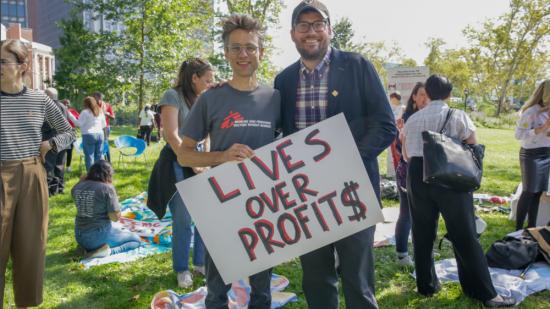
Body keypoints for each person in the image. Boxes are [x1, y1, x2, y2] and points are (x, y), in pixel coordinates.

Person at [274, 1, 396, 308]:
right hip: (307, 198)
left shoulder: (357, 66)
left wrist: (346, 161)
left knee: (358, 281)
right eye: (303, 25)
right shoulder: (284, 80)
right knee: (316, 281)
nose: (311, 31)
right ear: (292, 34)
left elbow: (385, 125)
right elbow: (277, 134)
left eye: (318, 24)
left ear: (329, 30)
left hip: (353, 192)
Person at [177, 14, 280, 308]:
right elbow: (184, 153)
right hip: (221, 205)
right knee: (217, 292)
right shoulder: (211, 99)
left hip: (265, 206)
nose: (243, 54)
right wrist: (221, 156)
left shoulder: (275, 98)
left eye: (250, 47)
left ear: (261, 52)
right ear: (226, 53)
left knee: (261, 292)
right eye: (235, 48)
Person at [402, 74, 515, 307]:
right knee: (464, 234)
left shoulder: (412, 120)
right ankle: (484, 293)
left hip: (417, 174)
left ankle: (426, 285)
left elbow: (406, 155)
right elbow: (473, 145)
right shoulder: (457, 115)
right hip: (450, 176)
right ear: (449, 94)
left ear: (428, 94)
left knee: (422, 233)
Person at [1, 38, 75, 308]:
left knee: (31, 247)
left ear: (22, 65)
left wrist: (51, 144)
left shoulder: (39, 99)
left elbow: (69, 131)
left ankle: (26, 303)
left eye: (3, 61)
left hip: (32, 176)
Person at [148, 58, 214, 288]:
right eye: (207, 79)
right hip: (176, 161)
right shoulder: (172, 95)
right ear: (194, 78)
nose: (210, 83)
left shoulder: (204, 98)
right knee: (184, 219)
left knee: (206, 217)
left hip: (198, 161)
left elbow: (206, 135)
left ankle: (200, 263)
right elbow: (171, 134)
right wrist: (190, 161)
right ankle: (181, 269)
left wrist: (204, 160)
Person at [73, 160, 141, 258]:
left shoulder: (77, 186)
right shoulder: (107, 188)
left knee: (117, 230)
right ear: (108, 174)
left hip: (79, 235)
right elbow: (115, 218)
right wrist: (115, 202)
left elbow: (76, 193)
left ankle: (88, 248)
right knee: (136, 240)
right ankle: (105, 252)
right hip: (97, 237)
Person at [393, 82, 428, 266]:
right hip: (408, 171)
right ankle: (402, 254)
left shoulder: (431, 117)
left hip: (428, 172)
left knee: (423, 215)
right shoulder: (405, 118)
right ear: (414, 96)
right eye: (421, 94)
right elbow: (401, 150)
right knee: (406, 213)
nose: (425, 99)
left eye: (428, 95)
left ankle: (421, 251)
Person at [514, 80, 550, 230]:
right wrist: (540, 129)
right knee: (529, 191)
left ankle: (531, 228)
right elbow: (518, 135)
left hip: (547, 154)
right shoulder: (531, 112)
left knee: (538, 193)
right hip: (531, 155)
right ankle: (518, 229)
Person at [42, 87, 70, 195]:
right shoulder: (63, 106)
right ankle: (60, 188)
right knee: (60, 165)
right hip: (64, 140)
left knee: (49, 166)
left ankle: (51, 190)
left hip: (52, 140)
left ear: (48, 96)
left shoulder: (48, 106)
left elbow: (47, 125)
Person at [67, 96, 106, 171]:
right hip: (100, 135)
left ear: (86, 104)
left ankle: (91, 176)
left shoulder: (85, 112)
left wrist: (69, 115)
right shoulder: (100, 111)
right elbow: (104, 125)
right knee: (98, 156)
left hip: (89, 135)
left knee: (89, 157)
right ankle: (99, 174)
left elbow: (78, 124)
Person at [93, 92, 115, 162]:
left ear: (100, 98)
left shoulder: (107, 105)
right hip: (95, 127)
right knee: (97, 144)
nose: (93, 99)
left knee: (105, 143)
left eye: (94, 97)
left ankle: (108, 162)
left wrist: (106, 114)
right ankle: (98, 161)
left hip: (105, 127)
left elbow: (113, 117)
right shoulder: (93, 106)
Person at [387, 91, 403, 178]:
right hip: (391, 132)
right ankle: (397, 173)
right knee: (394, 155)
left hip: (399, 134)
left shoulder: (402, 108)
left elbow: (397, 118)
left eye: (392, 98)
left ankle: (401, 172)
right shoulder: (390, 108)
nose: (391, 100)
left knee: (398, 154)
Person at [62, 98, 80, 172]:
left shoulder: (73, 111)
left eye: (67, 103)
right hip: (62, 132)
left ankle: (68, 166)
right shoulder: (61, 110)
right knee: (63, 150)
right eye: (65, 103)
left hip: (71, 131)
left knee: (70, 150)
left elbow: (78, 121)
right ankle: (61, 166)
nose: (66, 105)